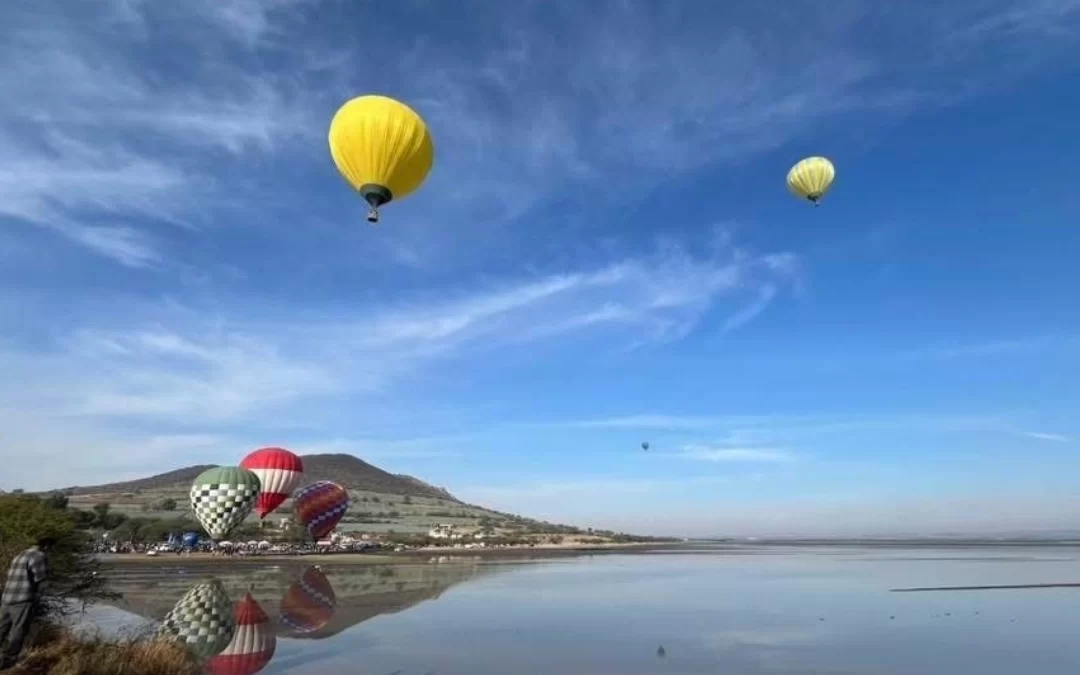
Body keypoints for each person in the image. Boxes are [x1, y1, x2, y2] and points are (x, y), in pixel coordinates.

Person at [0, 537, 54, 670]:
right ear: (46, 546)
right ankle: (7, 661)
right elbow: (40, 579)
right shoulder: (39, 556)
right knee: (17, 630)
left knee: (1, 628)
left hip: (7, 598)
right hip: (22, 599)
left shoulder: (20, 555)